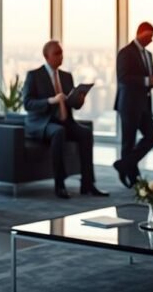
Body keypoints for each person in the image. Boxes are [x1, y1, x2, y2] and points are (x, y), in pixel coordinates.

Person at [21, 40, 108, 199]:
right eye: (57, 53)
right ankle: (59, 184)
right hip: (42, 123)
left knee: (85, 133)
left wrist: (79, 99)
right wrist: (51, 100)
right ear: (46, 56)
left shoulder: (66, 76)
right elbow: (27, 103)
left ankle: (88, 184)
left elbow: (73, 104)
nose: (61, 56)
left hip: (65, 121)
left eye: (61, 53)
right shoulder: (34, 76)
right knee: (59, 132)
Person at [113, 22, 153, 188]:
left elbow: (149, 79)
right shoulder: (126, 53)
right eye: (149, 36)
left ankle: (124, 165)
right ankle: (133, 178)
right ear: (141, 33)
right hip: (129, 104)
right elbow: (123, 78)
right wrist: (148, 81)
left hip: (144, 104)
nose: (151, 40)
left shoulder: (148, 55)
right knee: (128, 142)